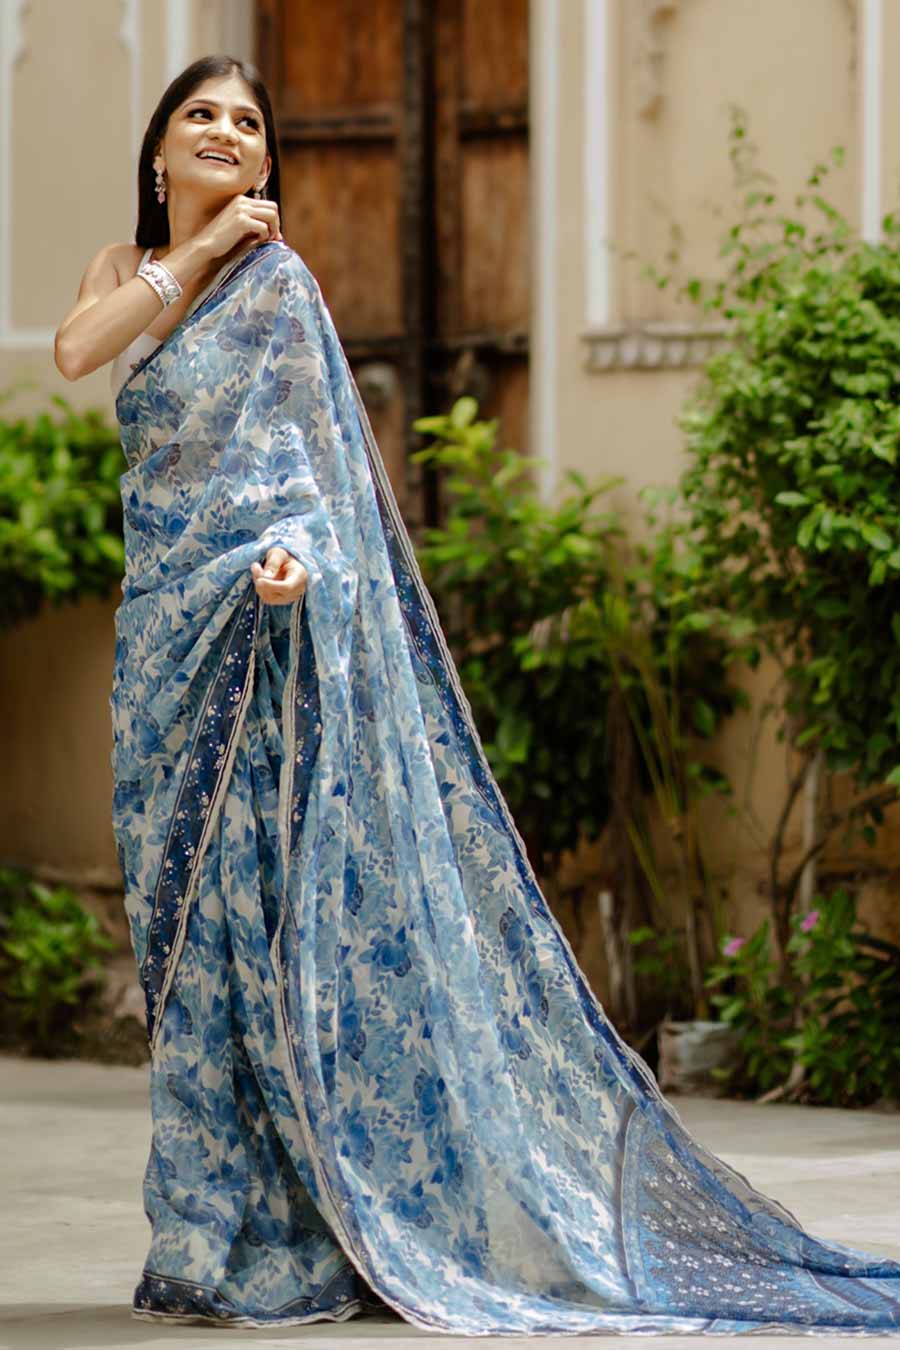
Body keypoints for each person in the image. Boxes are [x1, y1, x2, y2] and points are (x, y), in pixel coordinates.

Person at [54, 54, 900, 1335]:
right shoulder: (124, 267)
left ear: (270, 160)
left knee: (269, 941)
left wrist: (299, 562)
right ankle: (211, 1238)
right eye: (201, 117)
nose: (224, 130)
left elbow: (312, 477)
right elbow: (79, 351)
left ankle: (315, 1232)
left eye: (247, 122)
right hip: (163, 658)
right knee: (183, 950)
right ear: (161, 152)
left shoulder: (283, 291)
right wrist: (209, 241)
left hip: (262, 645)